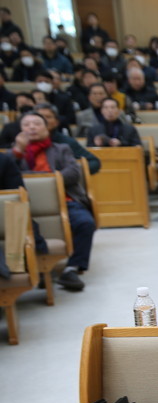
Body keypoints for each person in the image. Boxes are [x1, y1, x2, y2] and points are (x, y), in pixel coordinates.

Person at [7, 111, 95, 291]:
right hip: (24, 206)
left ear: (46, 128)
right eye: (26, 124)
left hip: (63, 200)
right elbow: (7, 179)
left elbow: (73, 172)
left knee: (85, 223)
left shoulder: (61, 148)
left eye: (37, 123)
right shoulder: (12, 154)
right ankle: (33, 269)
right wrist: (18, 151)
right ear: (20, 130)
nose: (32, 127)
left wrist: (44, 181)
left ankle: (72, 268)